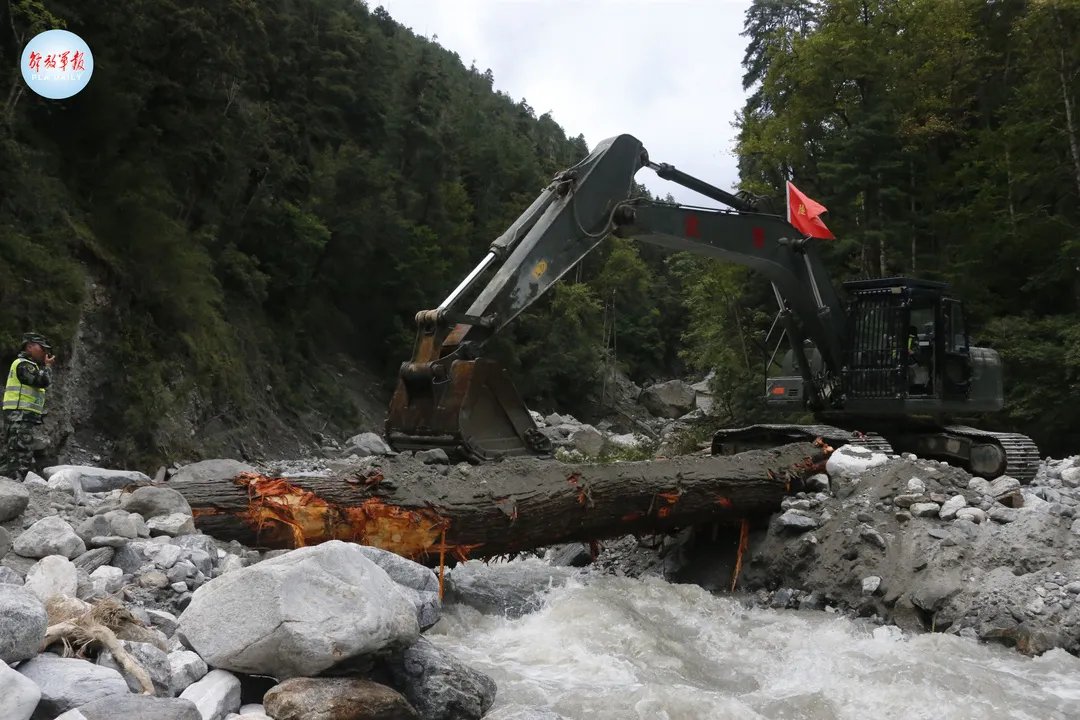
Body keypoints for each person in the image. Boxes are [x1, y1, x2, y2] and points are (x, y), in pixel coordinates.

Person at [2, 333, 54, 481]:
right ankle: (15, 485)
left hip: (22, 416)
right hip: (19, 416)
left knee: (14, 454)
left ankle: (9, 485)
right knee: (21, 454)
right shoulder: (24, 364)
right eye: (42, 348)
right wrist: (48, 367)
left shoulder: (32, 365)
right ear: (29, 346)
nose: (45, 352)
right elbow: (41, 381)